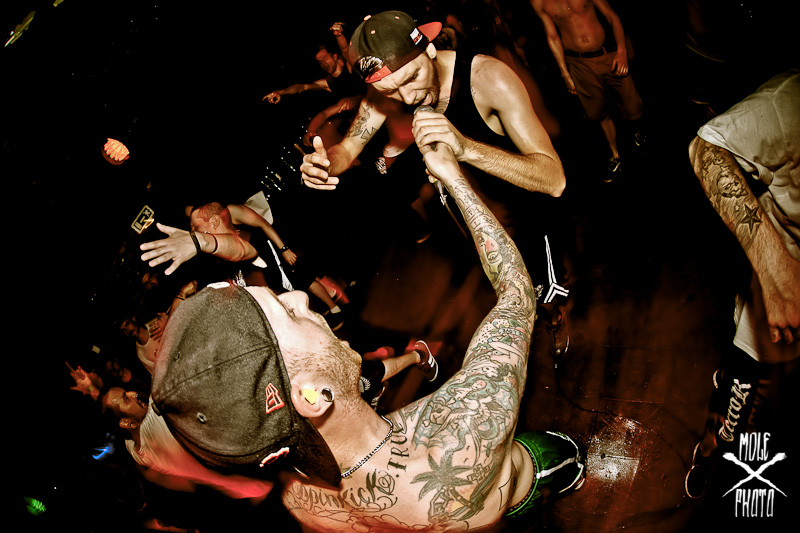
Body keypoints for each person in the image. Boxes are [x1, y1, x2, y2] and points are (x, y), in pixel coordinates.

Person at [150, 130, 585, 530]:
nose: (298, 297)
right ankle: (566, 471)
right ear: (311, 396)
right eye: (288, 312)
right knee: (555, 460)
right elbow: (516, 294)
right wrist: (454, 178)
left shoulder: (298, 495)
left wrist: (205, 243)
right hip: (521, 480)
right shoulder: (462, 437)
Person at [301, 10, 571, 357]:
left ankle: (555, 318)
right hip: (471, 224)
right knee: (507, 293)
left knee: (541, 293)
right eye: (390, 90)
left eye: (413, 78)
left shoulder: (488, 78)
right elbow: (349, 147)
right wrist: (325, 163)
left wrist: (466, 149)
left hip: (523, 220)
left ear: (428, 49)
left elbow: (554, 179)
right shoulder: (387, 91)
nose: (407, 97)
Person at [684, 69, 800, 498]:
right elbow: (706, 148)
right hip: (781, 293)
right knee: (744, 401)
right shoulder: (791, 101)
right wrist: (776, 270)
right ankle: (713, 454)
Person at [531, 0, 645, 181]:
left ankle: (637, 132)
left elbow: (611, 16)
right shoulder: (539, 2)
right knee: (598, 112)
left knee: (632, 105)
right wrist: (565, 73)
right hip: (578, 63)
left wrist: (621, 51)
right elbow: (552, 36)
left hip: (607, 54)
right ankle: (615, 155)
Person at [189, 202, 346, 330]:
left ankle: (334, 310)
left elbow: (263, 224)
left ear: (214, 221)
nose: (193, 231)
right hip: (256, 264)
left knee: (300, 277)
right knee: (282, 289)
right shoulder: (213, 246)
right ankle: (314, 316)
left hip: (269, 249)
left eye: (196, 226)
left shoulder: (231, 211)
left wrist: (283, 249)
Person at [101, 387, 274, 501]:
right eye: (126, 398)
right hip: (256, 468)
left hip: (244, 488)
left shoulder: (136, 452)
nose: (134, 394)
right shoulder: (155, 422)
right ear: (125, 423)